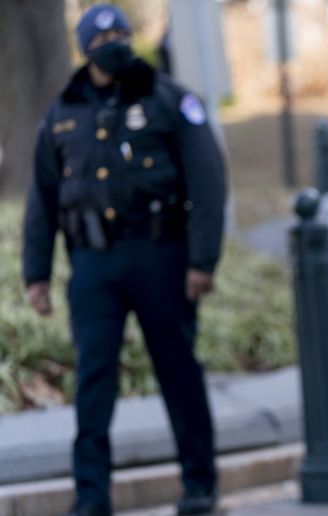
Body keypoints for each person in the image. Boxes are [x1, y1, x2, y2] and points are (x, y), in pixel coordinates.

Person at [21, 5, 227, 515]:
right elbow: (42, 198)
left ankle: (199, 486)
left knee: (178, 372)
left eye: (120, 33)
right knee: (93, 382)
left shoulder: (168, 99)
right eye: (102, 35)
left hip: (161, 257)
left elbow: (207, 181)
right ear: (84, 46)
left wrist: (202, 260)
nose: (113, 41)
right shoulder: (63, 113)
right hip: (93, 266)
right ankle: (91, 498)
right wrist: (37, 274)